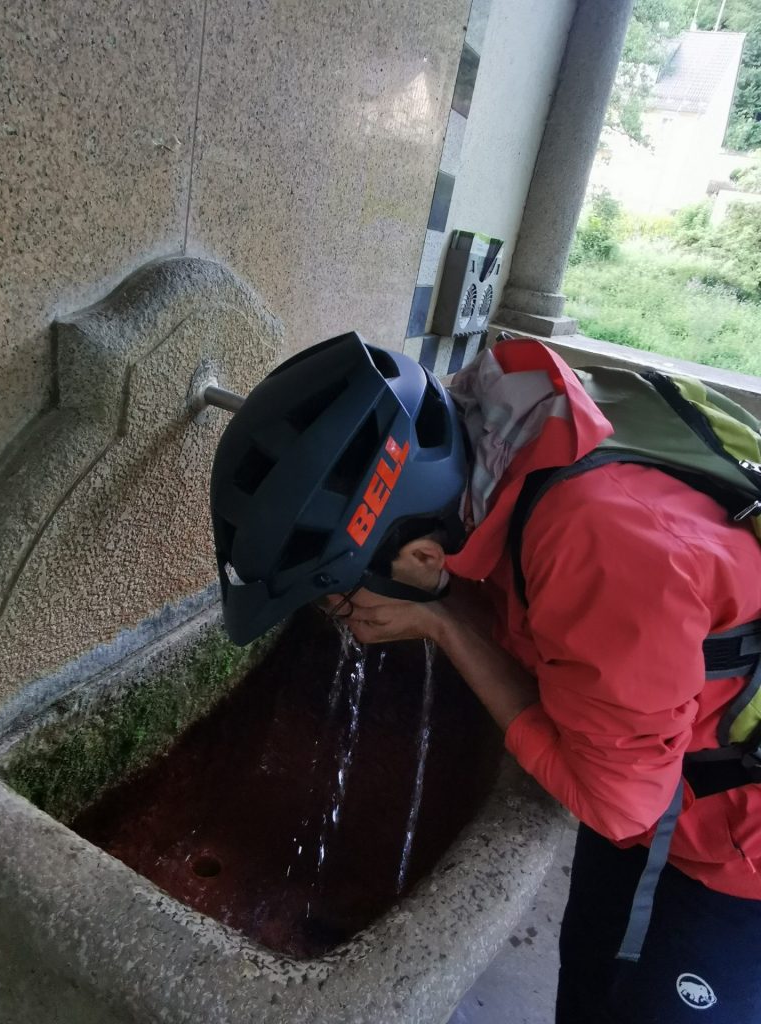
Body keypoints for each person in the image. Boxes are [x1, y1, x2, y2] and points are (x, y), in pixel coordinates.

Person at [210, 331, 761, 1023]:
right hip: (666, 753)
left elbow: (621, 804)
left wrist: (449, 625)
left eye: (337, 596)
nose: (341, 618)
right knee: (590, 978)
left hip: (735, 845)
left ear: (417, 556)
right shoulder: (504, 419)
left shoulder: (597, 551)